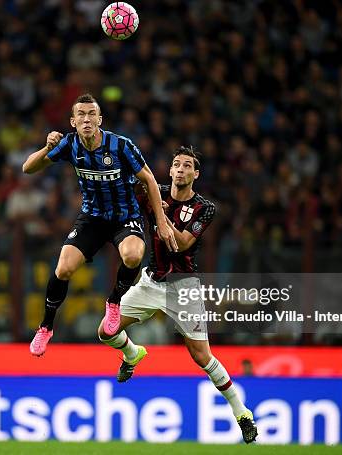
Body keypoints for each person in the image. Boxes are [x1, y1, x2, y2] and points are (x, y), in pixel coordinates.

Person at [97, 146, 258, 444]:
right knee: (106, 331)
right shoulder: (152, 192)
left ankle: (242, 412)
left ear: (196, 174)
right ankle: (132, 354)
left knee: (202, 356)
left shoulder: (204, 208)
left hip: (183, 288)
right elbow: (121, 188)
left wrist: (160, 214)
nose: (181, 169)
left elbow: (181, 244)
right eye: (176, 165)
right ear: (170, 171)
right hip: (151, 281)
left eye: (187, 166)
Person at [23, 93, 177, 356]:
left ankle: (114, 302)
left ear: (100, 119)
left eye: (91, 114)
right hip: (92, 217)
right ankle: (46, 327)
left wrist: (161, 224)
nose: (86, 119)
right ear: (73, 121)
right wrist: (47, 147)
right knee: (63, 269)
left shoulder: (121, 146)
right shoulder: (70, 145)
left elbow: (150, 180)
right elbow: (28, 168)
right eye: (81, 115)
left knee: (132, 255)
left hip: (125, 215)